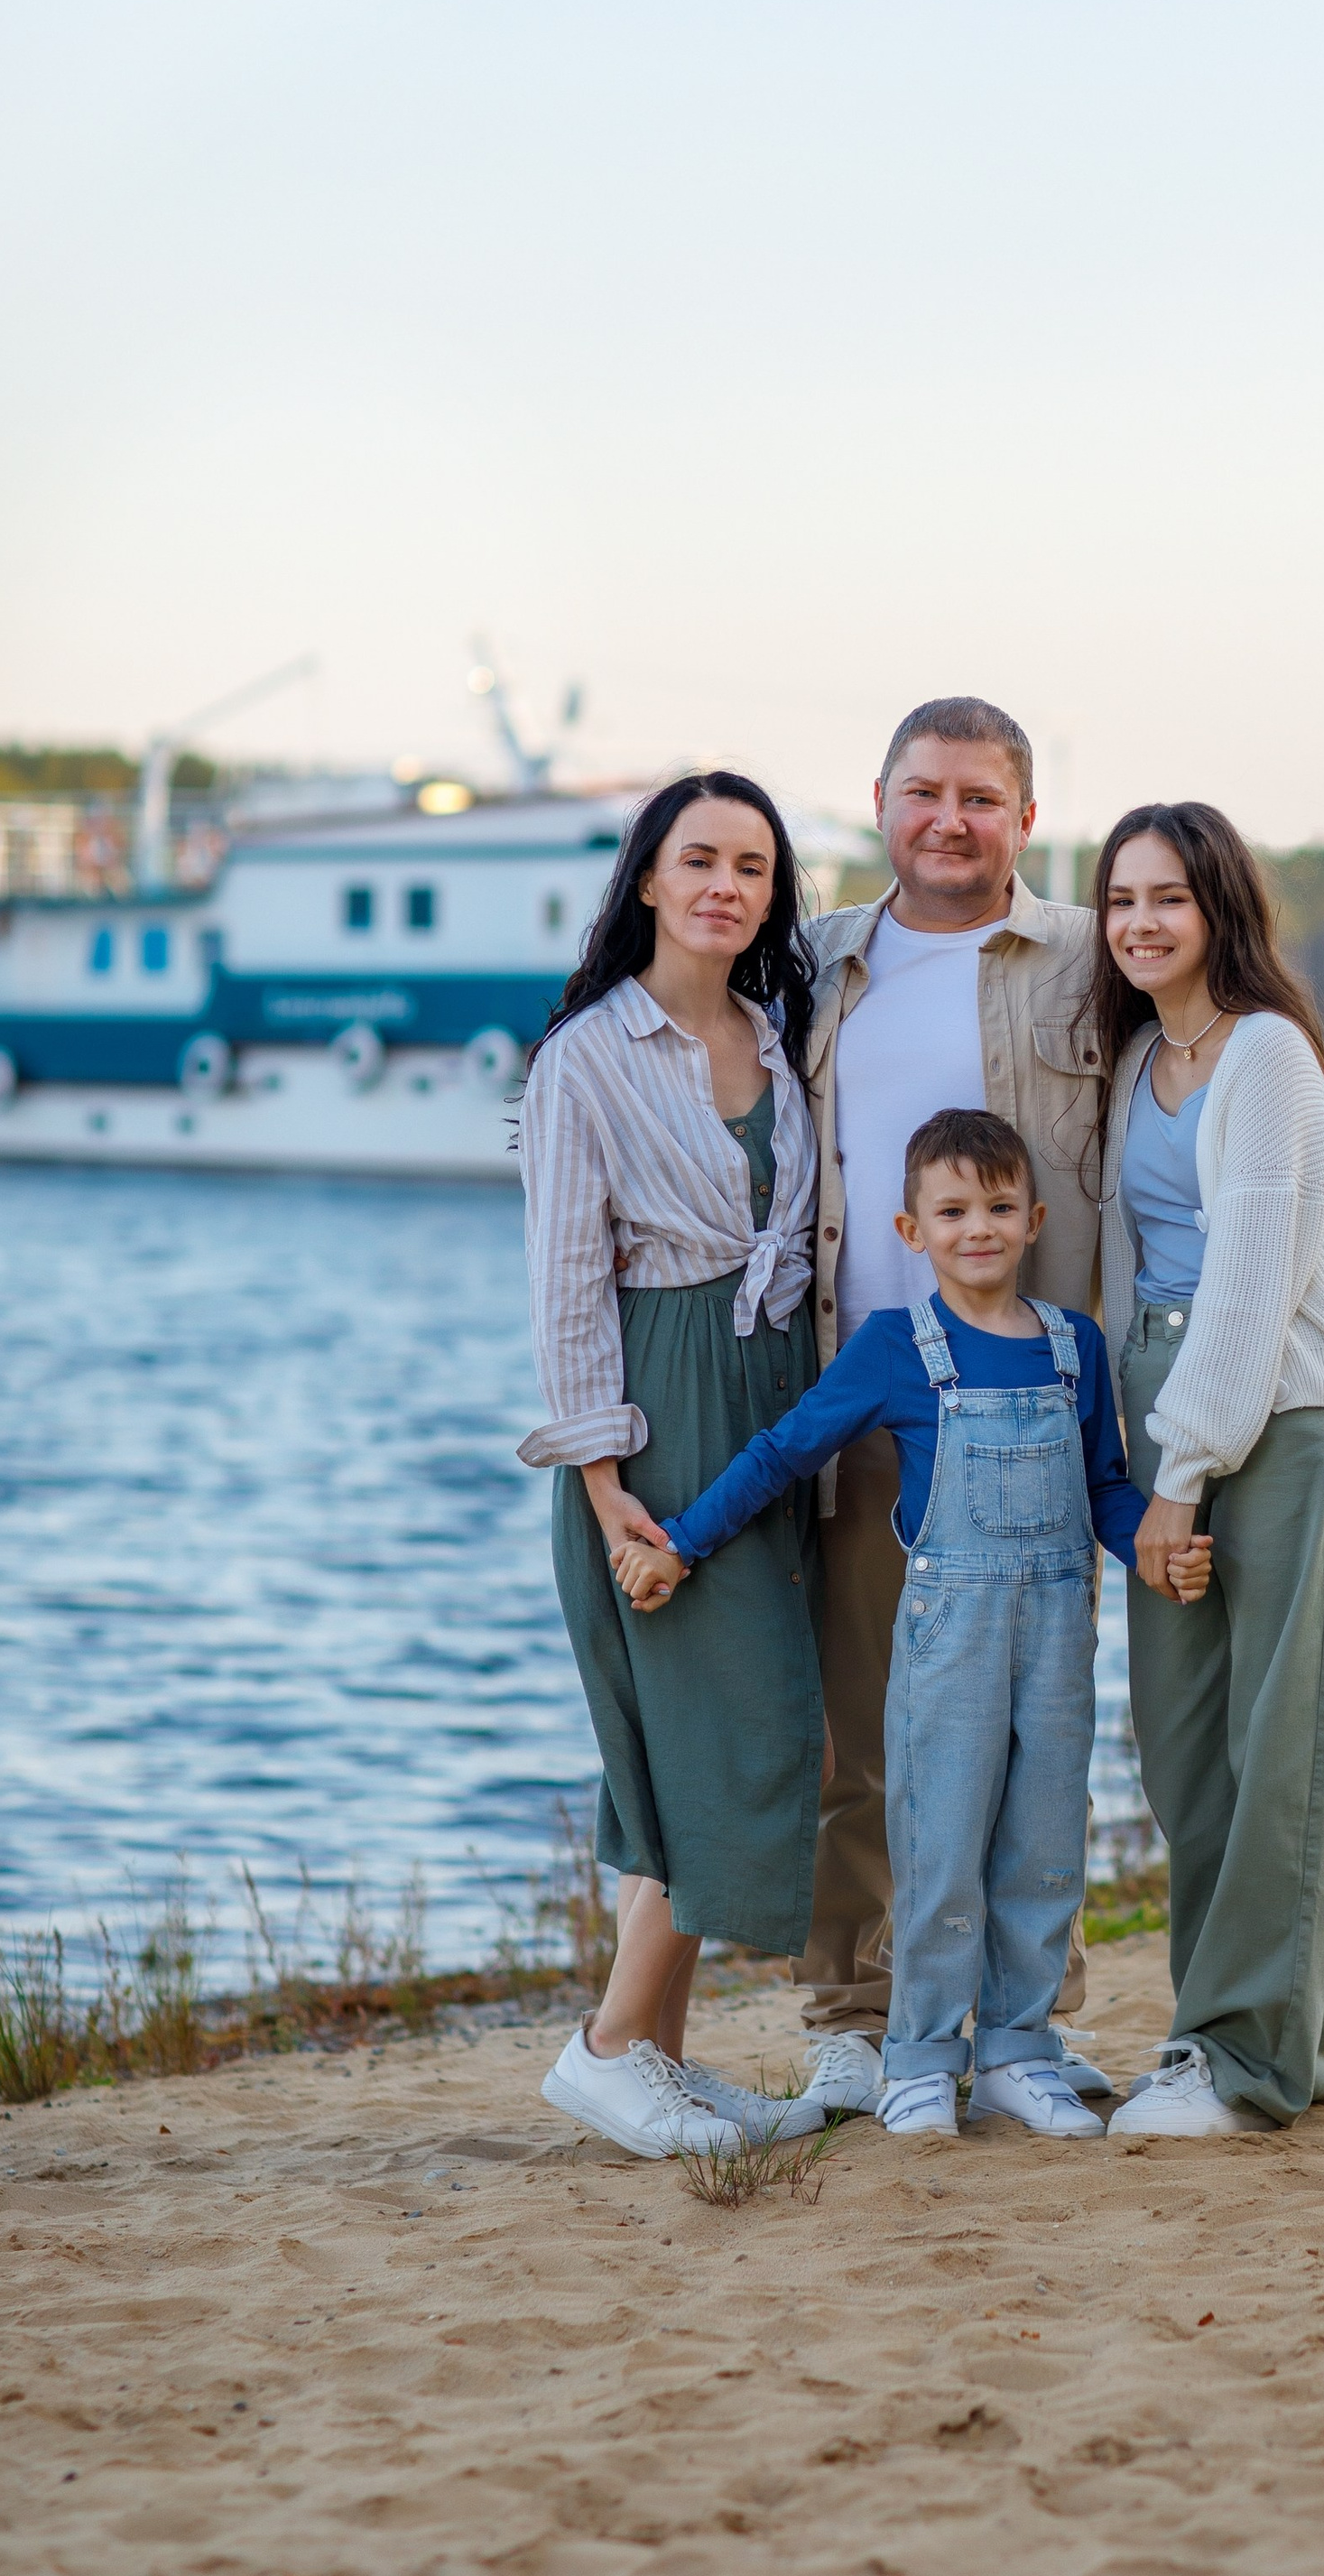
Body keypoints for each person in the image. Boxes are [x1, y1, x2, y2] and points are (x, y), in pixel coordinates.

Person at [616, 1107, 1208, 2136]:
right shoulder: (896, 1348)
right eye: (951, 1211)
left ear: (1033, 1220)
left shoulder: (1075, 1346)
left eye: (996, 1208)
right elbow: (781, 1452)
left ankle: (1020, 2048)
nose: (975, 1228)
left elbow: (1107, 1487)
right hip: (949, 1640)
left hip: (1061, 1635)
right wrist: (681, 1541)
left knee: (1044, 1844)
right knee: (937, 1843)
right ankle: (919, 2055)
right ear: (909, 1231)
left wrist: (1153, 1551)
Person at [793, 698, 1109, 2118]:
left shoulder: (1086, 962)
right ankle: (859, 2016)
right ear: (880, 802)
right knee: (861, 1726)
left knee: (1036, 1727)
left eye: (981, 797)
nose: (950, 819)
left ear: (1024, 818)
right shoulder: (818, 964)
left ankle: (1023, 2022)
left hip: (1031, 1395)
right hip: (862, 1382)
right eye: (924, 792)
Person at [514, 771, 829, 2164]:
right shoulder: (587, 1054)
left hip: (773, 1393)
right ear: (646, 878)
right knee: (739, 1735)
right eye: (697, 858)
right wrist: (601, 1477)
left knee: (697, 1742)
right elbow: (567, 1282)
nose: (725, 886)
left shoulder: (778, 1033)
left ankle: (659, 2056)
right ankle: (603, 2052)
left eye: (752, 868)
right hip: (661, 1403)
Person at [1084, 802, 1324, 2139]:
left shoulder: (1265, 1056)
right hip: (1167, 1410)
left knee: (1282, 1745)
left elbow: (1254, 1277)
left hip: (1271, 1415)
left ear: (1220, 910)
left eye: (1168, 897)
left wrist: (1183, 1474)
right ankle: (1258, 2037)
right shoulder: (1141, 1054)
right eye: (1119, 900)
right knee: (1187, 1753)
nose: (1140, 923)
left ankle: (1241, 2061)